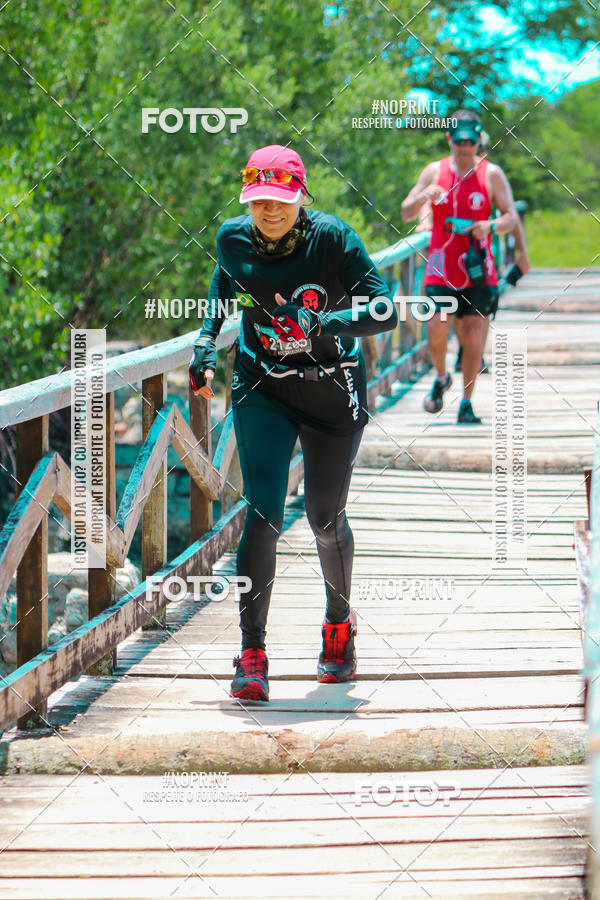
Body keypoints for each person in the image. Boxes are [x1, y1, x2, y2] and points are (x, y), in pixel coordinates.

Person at [188, 144, 397, 702]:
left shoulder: (333, 238)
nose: (269, 210)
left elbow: (386, 308)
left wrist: (330, 319)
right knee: (263, 513)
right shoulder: (232, 237)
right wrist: (207, 342)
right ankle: (251, 651)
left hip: (331, 389)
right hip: (263, 386)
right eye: (259, 200)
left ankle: (338, 627)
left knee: (324, 518)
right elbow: (223, 285)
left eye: (280, 199)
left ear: (300, 196)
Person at [401, 110, 519, 424]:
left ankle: (466, 402)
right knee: (436, 329)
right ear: (449, 139)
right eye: (459, 140)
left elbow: (510, 217)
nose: (465, 146)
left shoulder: (491, 173)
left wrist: (491, 226)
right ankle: (441, 376)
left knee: (473, 335)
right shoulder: (433, 171)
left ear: (478, 139)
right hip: (441, 265)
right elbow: (405, 212)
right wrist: (424, 195)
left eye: (471, 140)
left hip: (477, 265)